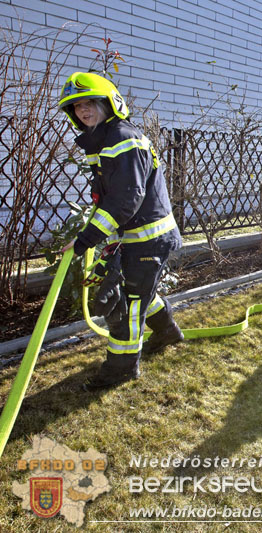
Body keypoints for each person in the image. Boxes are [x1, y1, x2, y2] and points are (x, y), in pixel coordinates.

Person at [57, 72, 183, 391]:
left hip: (148, 240)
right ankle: (168, 333)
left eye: (90, 103)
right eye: (76, 107)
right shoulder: (107, 139)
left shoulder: (122, 138)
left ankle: (121, 370)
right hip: (140, 238)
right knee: (142, 295)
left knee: (128, 307)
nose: (83, 111)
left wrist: (87, 240)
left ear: (108, 104)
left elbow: (125, 199)